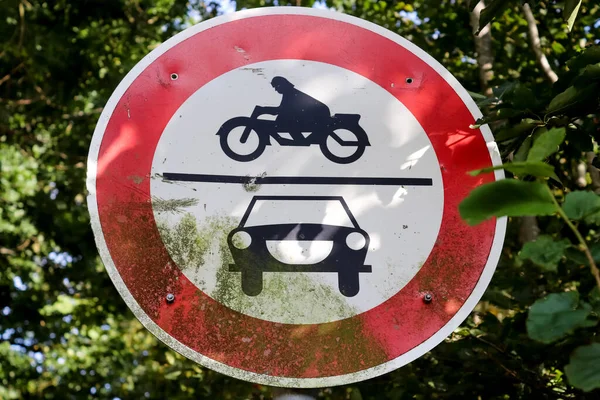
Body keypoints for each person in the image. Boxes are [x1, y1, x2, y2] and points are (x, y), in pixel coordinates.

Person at [242, 77, 332, 143]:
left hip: (319, 115)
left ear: (283, 84)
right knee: (283, 119)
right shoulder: (289, 93)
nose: (276, 90)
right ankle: (300, 140)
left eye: (277, 86)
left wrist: (263, 110)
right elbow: (283, 110)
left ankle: (300, 140)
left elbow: (281, 110)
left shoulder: (291, 93)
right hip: (313, 114)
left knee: (284, 120)